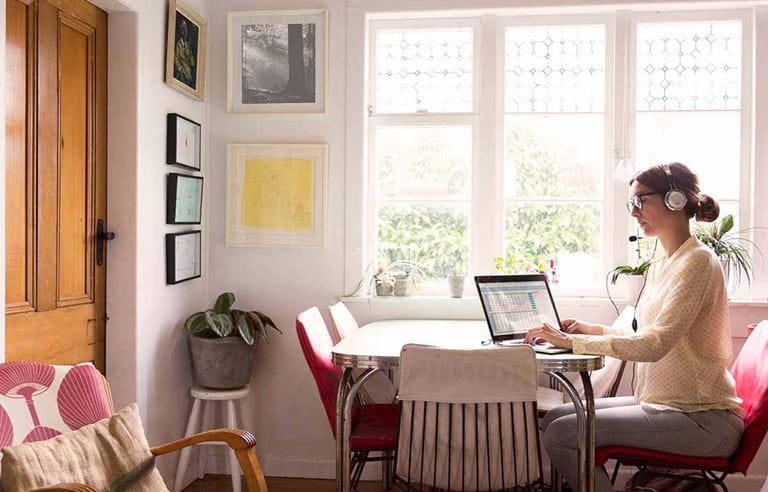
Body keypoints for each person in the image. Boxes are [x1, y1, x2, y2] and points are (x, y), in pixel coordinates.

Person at [524, 162, 744, 492]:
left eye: (641, 200)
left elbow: (653, 346)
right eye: (632, 203)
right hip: (668, 406)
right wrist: (589, 330)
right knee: (557, 418)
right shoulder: (664, 262)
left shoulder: (698, 262)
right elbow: (648, 335)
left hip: (702, 420)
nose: (634, 211)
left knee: (562, 434)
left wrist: (572, 344)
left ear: (675, 200)